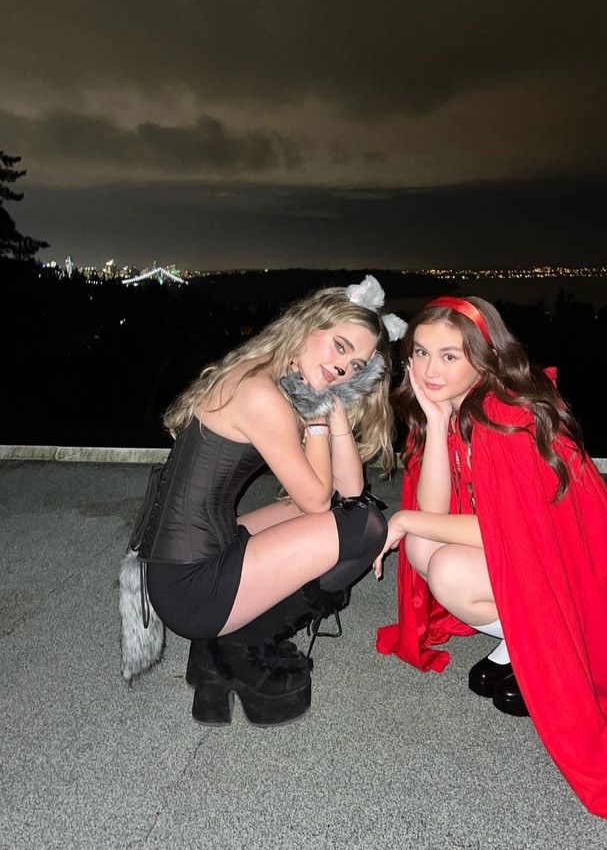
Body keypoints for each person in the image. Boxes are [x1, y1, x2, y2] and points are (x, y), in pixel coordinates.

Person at [374, 296, 607, 829]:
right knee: (427, 550)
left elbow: (509, 536)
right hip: (532, 552)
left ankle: (531, 642)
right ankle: (516, 639)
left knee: (440, 564)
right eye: (420, 353)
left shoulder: (505, 415)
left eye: (449, 355)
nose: (428, 369)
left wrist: (401, 523)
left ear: (485, 355)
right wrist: (436, 420)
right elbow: (435, 509)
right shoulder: (456, 404)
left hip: (573, 571)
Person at [120, 275, 406, 728]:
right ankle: (239, 644)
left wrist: (332, 407)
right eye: (339, 346)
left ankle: (220, 648)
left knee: (351, 515)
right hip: (191, 585)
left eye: (357, 365)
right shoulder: (261, 395)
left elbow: (350, 492)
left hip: (190, 558)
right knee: (365, 529)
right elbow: (318, 501)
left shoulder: (277, 380)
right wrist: (317, 413)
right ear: (309, 326)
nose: (344, 367)